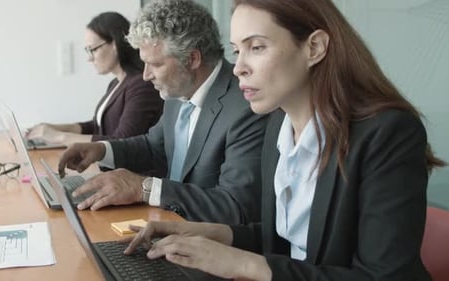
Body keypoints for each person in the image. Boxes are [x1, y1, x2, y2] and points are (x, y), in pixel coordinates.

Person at [123, 0, 447, 280]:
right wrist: (204, 233)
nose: (239, 68)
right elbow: (284, 240)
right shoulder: (279, 123)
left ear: (314, 48)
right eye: (237, 51)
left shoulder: (388, 133)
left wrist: (244, 263)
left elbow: (382, 278)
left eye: (257, 47)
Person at [57, 0, 267, 224]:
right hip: (165, 226)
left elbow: (235, 206)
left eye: (155, 65)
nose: (146, 75)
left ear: (192, 59)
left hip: (204, 242)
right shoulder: (178, 89)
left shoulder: (246, 106)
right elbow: (153, 145)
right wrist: (101, 150)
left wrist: (145, 188)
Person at [26, 12, 163, 145]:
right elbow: (96, 126)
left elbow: (122, 142)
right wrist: (52, 128)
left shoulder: (141, 85)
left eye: (93, 49)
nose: (90, 58)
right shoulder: (116, 83)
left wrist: (59, 137)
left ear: (115, 44)